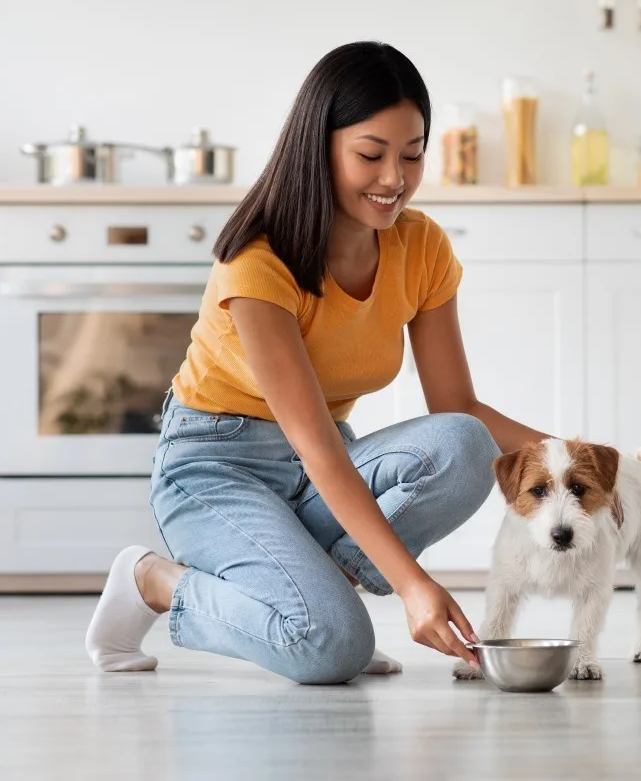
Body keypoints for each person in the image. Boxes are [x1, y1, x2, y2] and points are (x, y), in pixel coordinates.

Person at [84, 40, 552, 685]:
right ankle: (156, 583)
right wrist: (414, 586)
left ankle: (317, 601)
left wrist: (582, 457)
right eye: (370, 154)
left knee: (467, 446)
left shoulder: (422, 247)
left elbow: (459, 409)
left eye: (412, 155)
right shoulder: (258, 260)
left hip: (317, 466)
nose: (394, 179)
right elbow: (321, 451)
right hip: (216, 468)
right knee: (331, 650)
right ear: (319, 145)